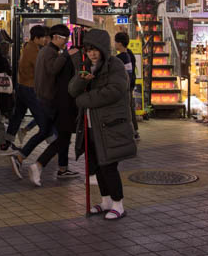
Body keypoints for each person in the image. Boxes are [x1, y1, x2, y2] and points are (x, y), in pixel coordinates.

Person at [68, 29, 135, 220]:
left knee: (108, 166)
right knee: (96, 165)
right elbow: (72, 90)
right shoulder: (86, 66)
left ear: (103, 49)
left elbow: (114, 91)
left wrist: (85, 99)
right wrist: (82, 80)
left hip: (110, 125)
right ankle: (105, 200)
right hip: (90, 125)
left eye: (95, 50)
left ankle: (118, 204)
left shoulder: (115, 65)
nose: (92, 54)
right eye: (89, 50)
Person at [28, 24, 80, 186]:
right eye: (65, 40)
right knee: (61, 137)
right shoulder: (51, 52)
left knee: (59, 136)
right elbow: (52, 70)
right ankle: (37, 164)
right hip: (52, 102)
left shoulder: (47, 51)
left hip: (49, 100)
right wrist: (66, 55)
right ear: (56, 37)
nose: (66, 44)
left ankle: (62, 168)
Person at [9, 26, 52, 178]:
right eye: (44, 37)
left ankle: (8, 144)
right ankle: (20, 155)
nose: (46, 40)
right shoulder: (34, 51)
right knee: (44, 125)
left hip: (23, 87)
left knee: (18, 115)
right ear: (37, 38)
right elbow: (44, 70)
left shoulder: (29, 47)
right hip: (30, 89)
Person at [114, 32, 141, 140]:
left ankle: (131, 132)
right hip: (130, 85)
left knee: (126, 109)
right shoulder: (130, 54)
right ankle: (134, 131)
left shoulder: (120, 58)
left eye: (115, 42)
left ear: (119, 43)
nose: (114, 44)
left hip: (124, 87)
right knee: (129, 108)